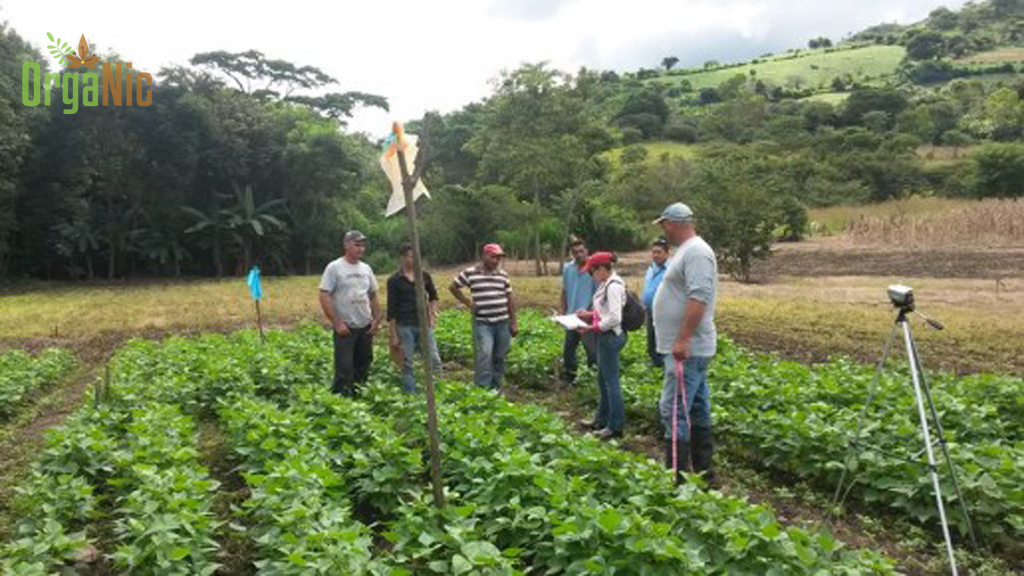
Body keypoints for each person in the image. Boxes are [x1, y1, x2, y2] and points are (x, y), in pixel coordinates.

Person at [652, 203, 718, 484]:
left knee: (674, 409)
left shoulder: (697, 252)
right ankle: (704, 475)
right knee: (697, 407)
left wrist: (682, 339)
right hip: (687, 350)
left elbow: (698, 298)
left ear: (675, 223)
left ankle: (676, 480)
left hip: (687, 351)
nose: (663, 230)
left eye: (664, 224)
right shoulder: (688, 251)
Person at [318, 230, 382, 397]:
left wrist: (377, 319)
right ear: (346, 245)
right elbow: (324, 294)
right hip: (346, 327)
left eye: (363, 245)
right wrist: (337, 322)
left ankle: (359, 397)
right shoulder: (335, 267)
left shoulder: (366, 268)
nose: (361, 249)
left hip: (365, 325)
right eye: (357, 245)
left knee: (364, 363)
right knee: (344, 367)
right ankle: (341, 401)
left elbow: (373, 295)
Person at [449, 243, 518, 390]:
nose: (496, 261)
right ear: (484, 256)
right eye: (493, 257)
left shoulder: (503, 275)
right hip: (483, 322)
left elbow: (509, 299)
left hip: (502, 322)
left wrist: (513, 322)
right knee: (485, 355)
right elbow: (453, 287)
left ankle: (496, 387)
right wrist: (468, 302)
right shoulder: (471, 273)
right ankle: (482, 390)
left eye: (499, 258)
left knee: (500, 356)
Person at [575, 252, 627, 440]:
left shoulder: (613, 286)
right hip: (605, 335)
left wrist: (591, 327)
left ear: (602, 268)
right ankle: (601, 420)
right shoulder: (606, 284)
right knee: (603, 381)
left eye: (592, 272)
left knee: (611, 383)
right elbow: (604, 312)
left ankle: (615, 426)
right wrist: (588, 315)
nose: (592, 276)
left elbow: (614, 318)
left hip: (610, 337)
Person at [387, 242, 442, 393]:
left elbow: (434, 297)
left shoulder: (424, 276)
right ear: (403, 258)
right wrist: (393, 334)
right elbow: (391, 309)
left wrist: (433, 313)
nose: (415, 260)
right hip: (404, 326)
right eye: (412, 257)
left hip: (424, 325)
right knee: (407, 363)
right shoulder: (394, 280)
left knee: (434, 360)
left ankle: (438, 393)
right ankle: (411, 395)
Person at [560, 237, 597, 384]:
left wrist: (590, 313)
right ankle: (570, 377)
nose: (579, 254)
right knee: (569, 349)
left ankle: (592, 379)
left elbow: (598, 296)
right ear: (572, 253)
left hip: (588, 318)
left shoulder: (594, 269)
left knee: (591, 351)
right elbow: (564, 291)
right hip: (571, 317)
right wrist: (563, 312)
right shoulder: (568, 269)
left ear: (587, 250)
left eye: (581, 251)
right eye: (575, 252)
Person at [643, 237, 670, 368]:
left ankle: (664, 367)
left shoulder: (671, 270)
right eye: (653, 252)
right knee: (651, 341)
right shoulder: (651, 268)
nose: (655, 255)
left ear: (667, 253)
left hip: (664, 312)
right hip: (649, 311)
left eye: (659, 252)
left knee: (663, 342)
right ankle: (656, 366)